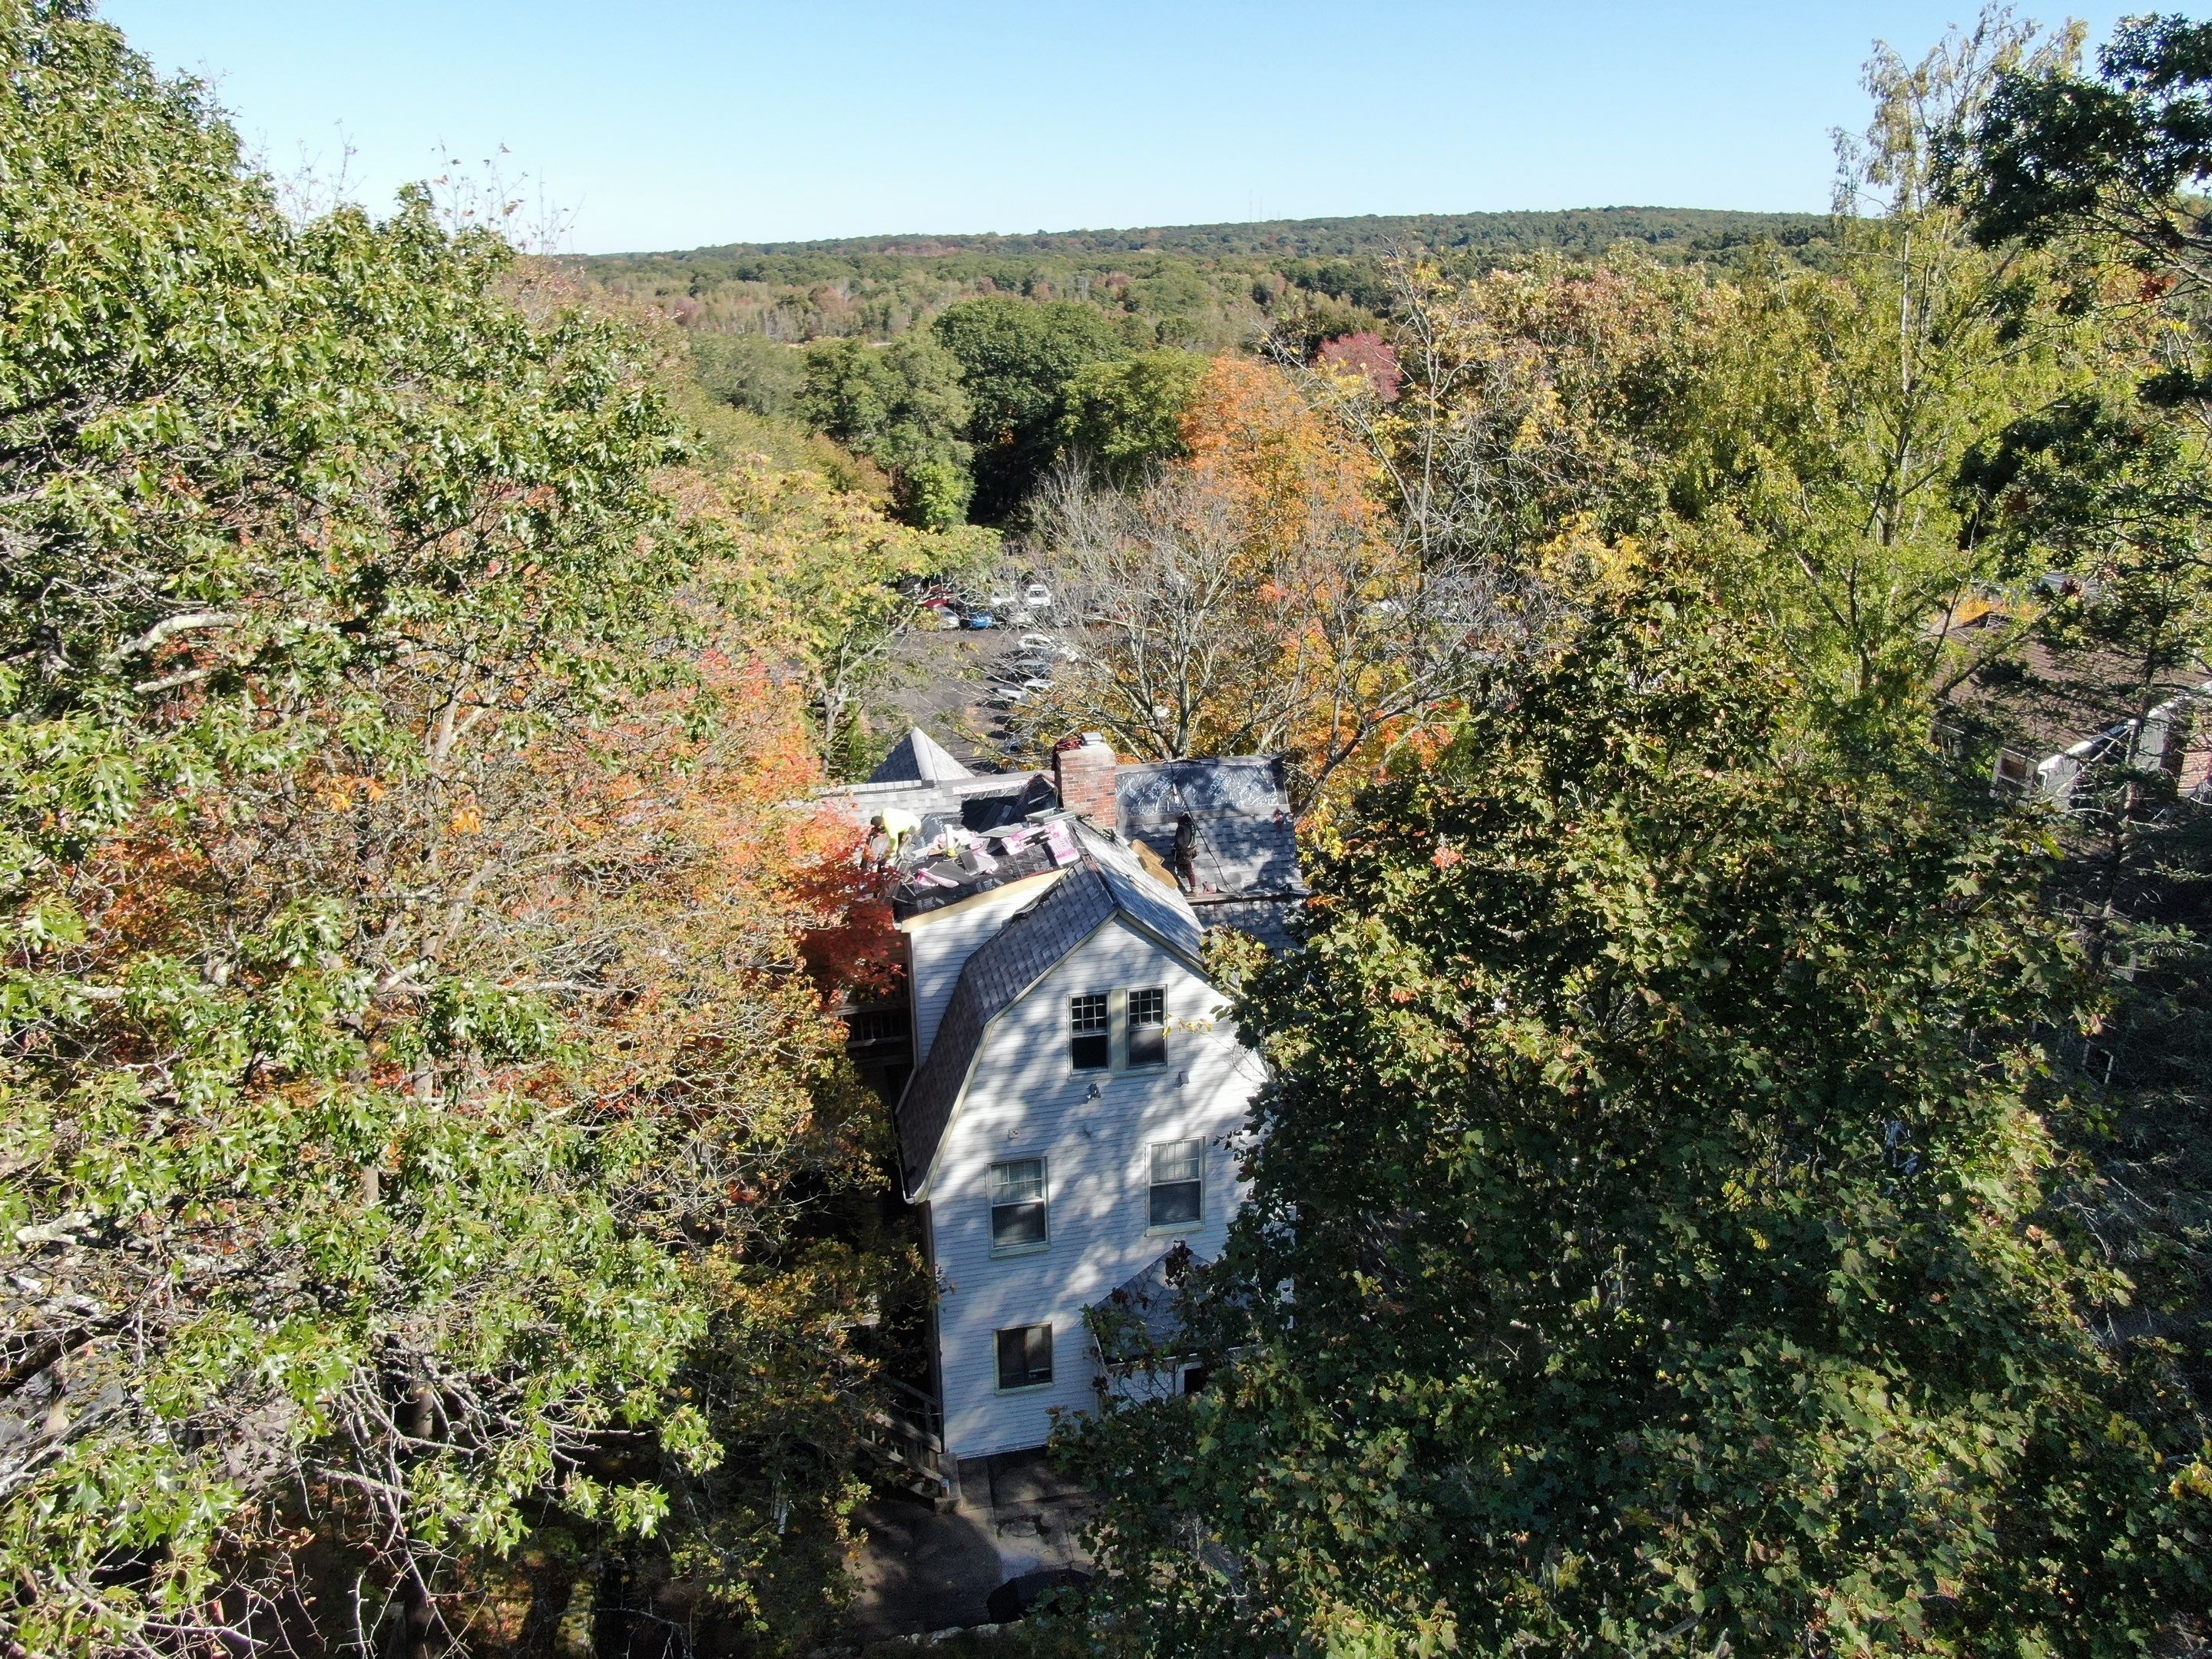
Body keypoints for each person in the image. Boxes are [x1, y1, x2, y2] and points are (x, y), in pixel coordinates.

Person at [1171, 812, 1199, 894]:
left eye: (1177, 819)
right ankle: (1193, 887)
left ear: (1179, 818)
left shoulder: (1181, 828)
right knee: (1188, 869)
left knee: (1188, 871)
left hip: (1185, 852)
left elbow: (1179, 841)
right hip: (1192, 849)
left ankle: (1194, 890)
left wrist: (1175, 850)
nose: (1176, 821)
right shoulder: (1190, 823)